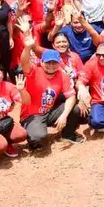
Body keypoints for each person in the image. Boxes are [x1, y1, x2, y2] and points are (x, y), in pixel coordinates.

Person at [17, 18, 84, 147]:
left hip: (50, 111)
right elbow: (24, 62)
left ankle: (68, 134)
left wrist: (64, 115)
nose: (51, 65)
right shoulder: (34, 72)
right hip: (33, 114)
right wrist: (27, 47)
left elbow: (71, 96)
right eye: (48, 62)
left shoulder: (62, 75)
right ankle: (32, 134)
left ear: (59, 63)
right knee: (38, 138)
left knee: (75, 109)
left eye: (54, 63)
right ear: (41, 62)